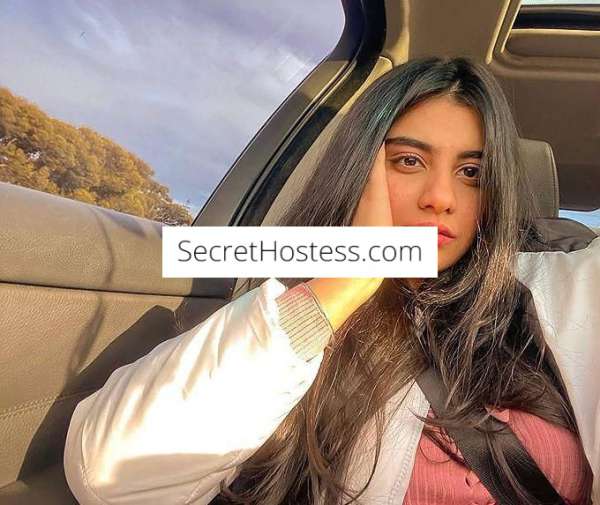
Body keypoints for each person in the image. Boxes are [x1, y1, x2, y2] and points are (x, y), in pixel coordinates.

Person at [63, 57, 599, 504]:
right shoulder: (289, 313)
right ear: (357, 170)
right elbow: (111, 477)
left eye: (472, 173)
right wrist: (344, 283)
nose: (441, 197)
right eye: (409, 161)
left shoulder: (554, 287)